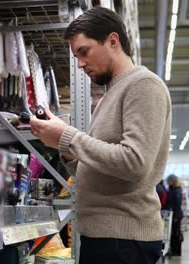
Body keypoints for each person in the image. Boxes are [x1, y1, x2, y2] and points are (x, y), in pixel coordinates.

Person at [29, 6, 172, 264]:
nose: (81, 63)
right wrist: (66, 148)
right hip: (105, 237)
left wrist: (69, 136)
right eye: (76, 56)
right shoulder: (111, 93)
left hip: (124, 242)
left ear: (113, 41)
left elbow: (134, 164)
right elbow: (101, 170)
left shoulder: (143, 85)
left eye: (84, 52)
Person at [165, 174, 184, 256]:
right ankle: (173, 250)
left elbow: (177, 205)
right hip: (172, 215)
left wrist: (176, 217)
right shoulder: (171, 189)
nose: (168, 183)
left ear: (173, 181)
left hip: (176, 216)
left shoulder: (177, 190)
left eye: (169, 181)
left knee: (176, 234)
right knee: (172, 233)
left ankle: (177, 252)